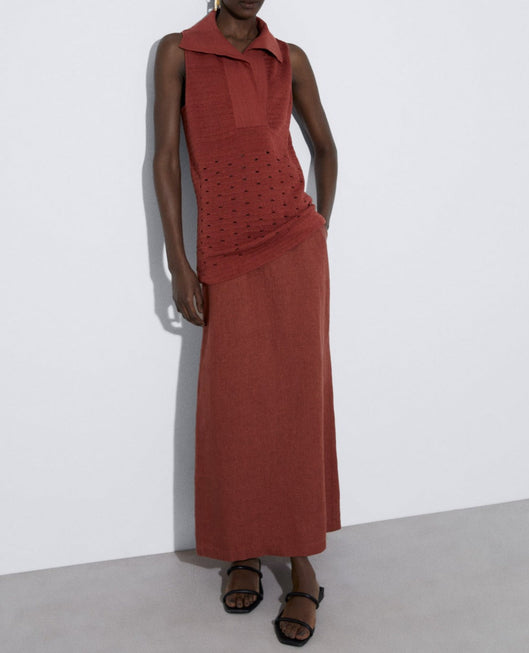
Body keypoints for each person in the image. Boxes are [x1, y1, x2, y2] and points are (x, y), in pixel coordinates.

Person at [153, 0, 340, 646]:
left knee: (296, 404)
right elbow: (165, 159)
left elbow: (325, 148)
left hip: (294, 250)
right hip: (224, 256)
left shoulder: (289, 60)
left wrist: (318, 227)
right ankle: (241, 545)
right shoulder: (180, 52)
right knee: (235, 404)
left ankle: (302, 563)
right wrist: (178, 263)